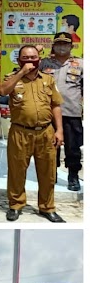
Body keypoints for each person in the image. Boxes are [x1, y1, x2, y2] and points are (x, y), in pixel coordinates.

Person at [0, 44, 65, 222]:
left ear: (39, 59)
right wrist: (20, 73)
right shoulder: (12, 78)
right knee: (16, 171)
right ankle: (16, 205)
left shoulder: (48, 80)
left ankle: (47, 207)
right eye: (25, 58)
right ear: (19, 60)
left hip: (45, 132)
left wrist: (59, 130)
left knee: (48, 172)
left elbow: (56, 105)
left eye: (33, 57)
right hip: (20, 132)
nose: (30, 61)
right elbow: (3, 91)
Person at [39, 32, 83, 191]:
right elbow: (27, 71)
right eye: (58, 44)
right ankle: (51, 175)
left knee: (73, 147)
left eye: (65, 44)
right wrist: (37, 52)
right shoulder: (44, 64)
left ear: (71, 46)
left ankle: (73, 176)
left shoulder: (80, 64)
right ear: (53, 46)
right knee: (50, 146)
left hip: (71, 113)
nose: (62, 47)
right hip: (48, 113)